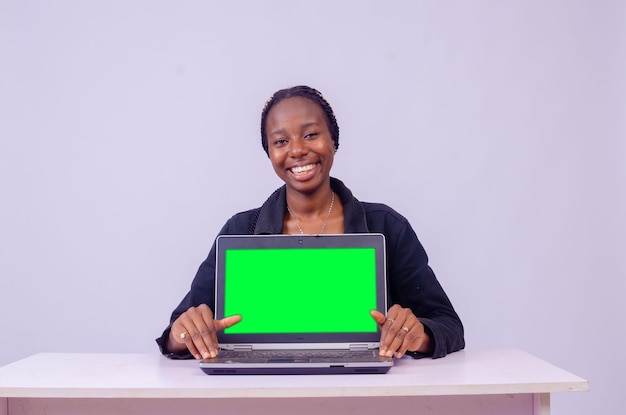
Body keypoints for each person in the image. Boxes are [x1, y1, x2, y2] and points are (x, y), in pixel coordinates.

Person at [156, 85, 464, 360]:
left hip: (366, 394)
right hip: (260, 393)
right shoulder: (240, 230)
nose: (297, 150)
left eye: (311, 134)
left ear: (333, 140)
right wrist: (184, 334)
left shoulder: (386, 227)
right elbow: (176, 333)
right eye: (280, 141)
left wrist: (417, 334)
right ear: (269, 152)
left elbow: (449, 326)